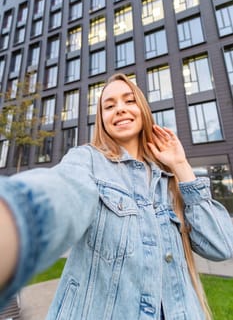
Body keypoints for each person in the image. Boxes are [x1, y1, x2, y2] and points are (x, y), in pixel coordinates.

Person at [0, 73, 233, 320]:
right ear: (102, 119)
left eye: (129, 101)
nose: (119, 109)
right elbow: (62, 191)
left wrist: (181, 165)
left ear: (143, 110)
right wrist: (14, 218)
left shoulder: (170, 180)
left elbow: (221, 246)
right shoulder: (87, 160)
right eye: (109, 106)